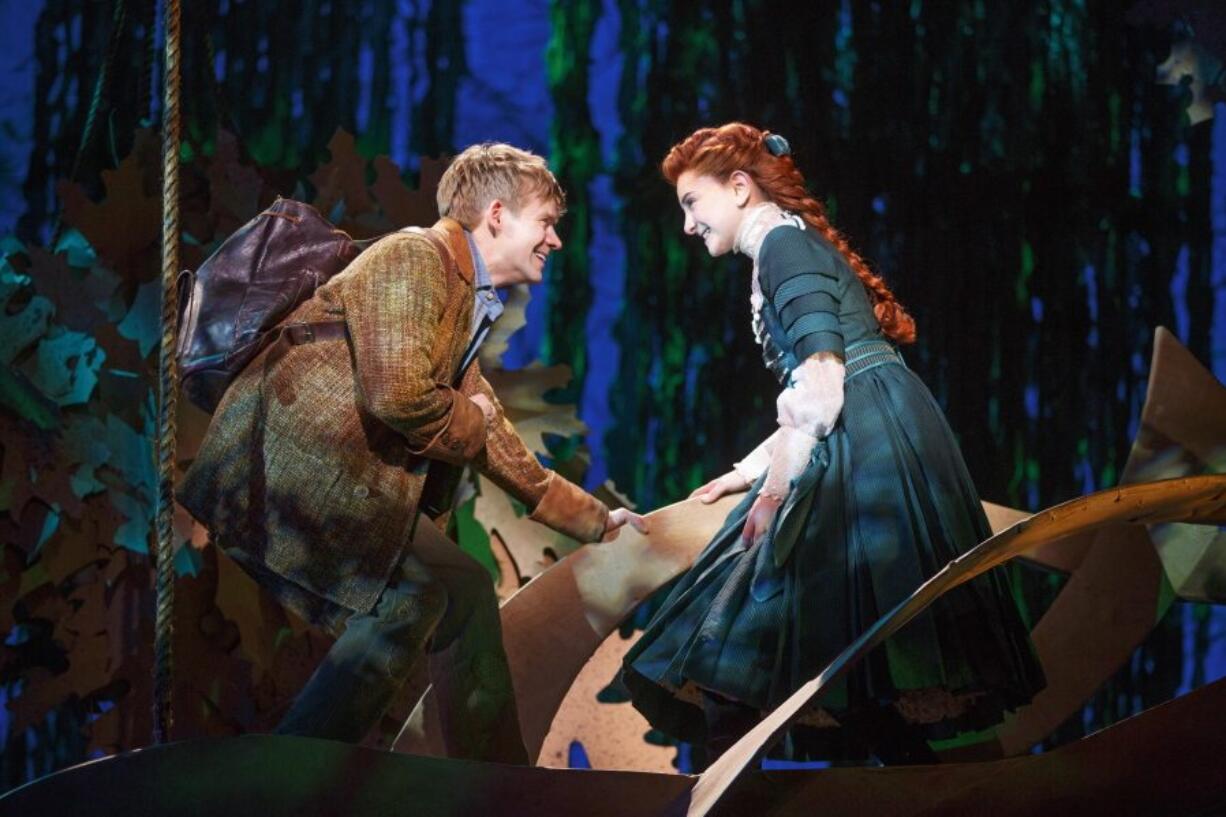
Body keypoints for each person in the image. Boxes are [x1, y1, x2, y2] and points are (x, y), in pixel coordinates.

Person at [178, 143, 645, 762]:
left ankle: (495, 777)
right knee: (413, 599)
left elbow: (490, 431)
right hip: (289, 479)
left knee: (469, 589)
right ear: (498, 214)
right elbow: (399, 394)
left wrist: (593, 520)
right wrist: (471, 421)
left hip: (346, 488)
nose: (554, 241)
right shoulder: (414, 258)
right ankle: (296, 765)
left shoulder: (459, 290)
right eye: (546, 223)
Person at [621, 123, 1044, 766]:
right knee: (848, 664)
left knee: (751, 625)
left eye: (691, 203)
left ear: (738, 188)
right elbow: (818, 382)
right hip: (863, 425)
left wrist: (773, 490)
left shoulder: (784, 248)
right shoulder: (784, 246)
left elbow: (822, 379)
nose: (687, 224)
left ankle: (729, 792)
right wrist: (748, 471)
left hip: (866, 441)